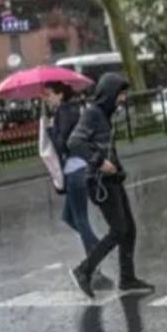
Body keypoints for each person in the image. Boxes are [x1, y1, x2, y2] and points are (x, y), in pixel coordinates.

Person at [66, 73, 154, 296]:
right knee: (118, 230)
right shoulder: (93, 114)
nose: (122, 99)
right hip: (99, 183)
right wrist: (98, 162)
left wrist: (117, 169)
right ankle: (84, 270)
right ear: (109, 94)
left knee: (129, 230)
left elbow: (108, 150)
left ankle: (127, 278)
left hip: (111, 179)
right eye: (120, 94)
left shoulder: (105, 115)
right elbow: (74, 142)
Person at [42, 81, 110, 287]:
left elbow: (63, 143)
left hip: (75, 170)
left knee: (80, 219)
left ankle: (95, 256)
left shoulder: (63, 112)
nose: (47, 98)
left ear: (60, 94)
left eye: (49, 94)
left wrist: (50, 131)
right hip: (83, 167)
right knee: (69, 217)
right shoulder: (76, 109)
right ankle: (95, 253)